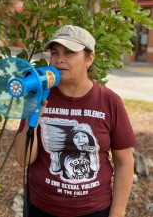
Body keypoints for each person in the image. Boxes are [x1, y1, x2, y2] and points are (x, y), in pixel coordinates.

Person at [15, 25, 136, 217]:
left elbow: (124, 163)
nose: (59, 59)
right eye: (55, 53)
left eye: (69, 52)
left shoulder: (109, 101)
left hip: (94, 209)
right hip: (41, 207)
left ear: (90, 58)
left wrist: (118, 212)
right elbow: (23, 159)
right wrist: (35, 116)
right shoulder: (38, 96)